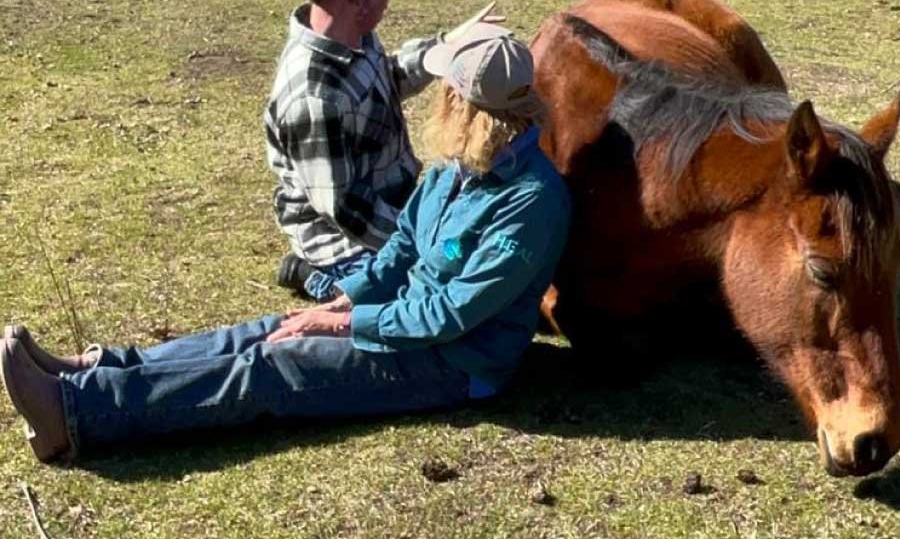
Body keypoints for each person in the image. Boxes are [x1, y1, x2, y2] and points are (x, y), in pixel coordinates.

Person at [0, 26, 571, 464]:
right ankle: (92, 371)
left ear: (467, 108)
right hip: (402, 321)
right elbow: (402, 247)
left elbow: (448, 314)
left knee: (273, 367)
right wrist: (348, 298)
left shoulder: (531, 204)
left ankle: (76, 415)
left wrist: (342, 325)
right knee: (261, 333)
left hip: (453, 361)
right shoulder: (460, 165)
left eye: (447, 89)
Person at [265, 0, 502, 302]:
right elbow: (348, 211)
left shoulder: (352, 39)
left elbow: (386, 78)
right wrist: (422, 239)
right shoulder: (314, 99)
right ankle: (322, 279)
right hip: (348, 241)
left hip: (394, 205)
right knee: (444, 290)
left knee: (471, 242)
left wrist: (447, 45)